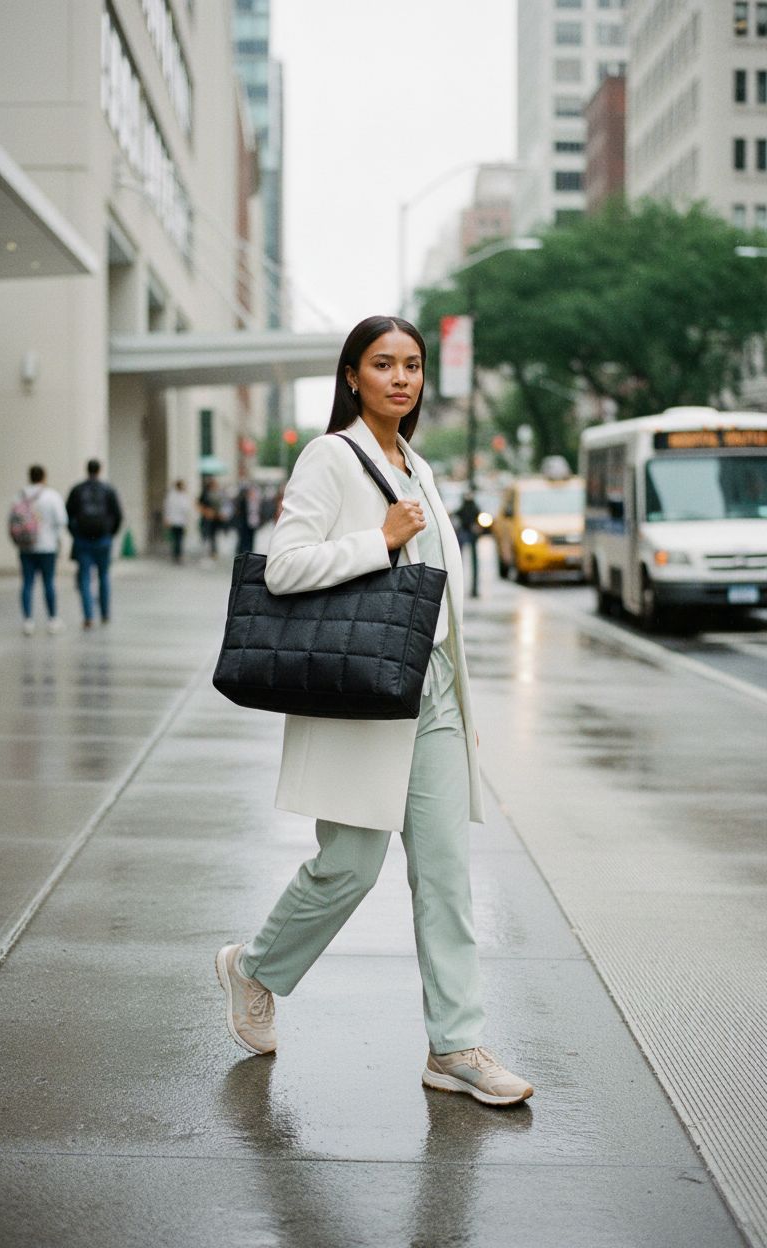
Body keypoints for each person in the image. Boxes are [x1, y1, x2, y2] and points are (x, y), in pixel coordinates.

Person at [216, 316, 533, 1108]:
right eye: (384, 364)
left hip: (430, 699)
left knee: (446, 878)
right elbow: (284, 569)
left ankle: (455, 1046)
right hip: (361, 698)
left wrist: (462, 698)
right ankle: (254, 968)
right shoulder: (331, 456)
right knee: (348, 868)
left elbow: (444, 601)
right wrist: (379, 540)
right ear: (352, 375)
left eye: (414, 365)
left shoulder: (418, 465)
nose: (402, 378)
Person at [9, 464, 67, 635]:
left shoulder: (19, 496)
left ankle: (28, 620)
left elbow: (13, 521)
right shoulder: (52, 496)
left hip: (26, 546)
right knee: (48, 582)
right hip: (47, 546)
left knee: (27, 583)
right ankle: (52, 619)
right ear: (44, 477)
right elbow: (62, 520)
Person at [66, 459, 123, 629]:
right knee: (104, 576)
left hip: (83, 539)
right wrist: (110, 533)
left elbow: (68, 515)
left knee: (84, 578)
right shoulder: (108, 490)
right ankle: (105, 613)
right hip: (103, 539)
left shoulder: (77, 490)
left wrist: (75, 533)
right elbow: (118, 515)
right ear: (100, 470)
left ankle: (88, 616)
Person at [455, 490, 481, 598]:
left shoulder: (473, 507)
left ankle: (473, 589)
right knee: (460, 562)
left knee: (468, 562)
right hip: (465, 533)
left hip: (468, 534)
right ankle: (462, 588)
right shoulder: (468, 506)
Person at [164, 479, 192, 563]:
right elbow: (168, 508)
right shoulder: (175, 496)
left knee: (178, 539)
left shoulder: (175, 496)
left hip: (179, 521)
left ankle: (177, 554)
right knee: (177, 539)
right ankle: (177, 555)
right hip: (176, 521)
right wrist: (167, 519)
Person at [234, 480, 261, 554]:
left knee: (250, 539)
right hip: (244, 523)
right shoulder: (243, 500)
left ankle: (249, 552)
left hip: (252, 522)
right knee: (243, 539)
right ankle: (242, 552)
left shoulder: (255, 502)